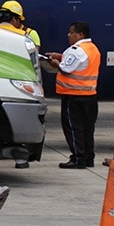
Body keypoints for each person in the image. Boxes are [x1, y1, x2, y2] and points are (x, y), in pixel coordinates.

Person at [0, 0, 38, 169]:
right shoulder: (25, 37)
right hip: (19, 86)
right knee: (16, 124)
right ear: (15, 19)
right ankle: (21, 158)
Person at [44, 21, 100, 169]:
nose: (68, 35)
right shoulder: (92, 49)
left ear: (80, 34)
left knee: (73, 128)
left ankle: (77, 158)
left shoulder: (76, 49)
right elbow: (80, 63)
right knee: (88, 128)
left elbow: (66, 68)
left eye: (71, 32)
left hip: (73, 96)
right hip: (90, 95)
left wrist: (55, 63)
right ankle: (88, 158)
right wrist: (61, 56)